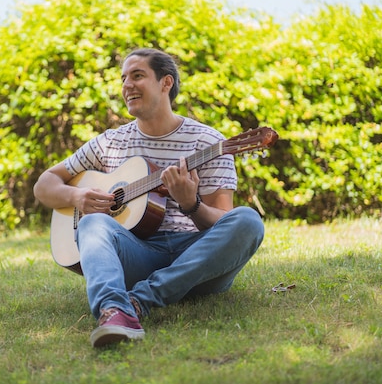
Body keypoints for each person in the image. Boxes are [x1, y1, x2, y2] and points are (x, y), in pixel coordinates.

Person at [33, 48, 264, 348]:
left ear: (166, 83)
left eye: (138, 75)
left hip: (197, 263)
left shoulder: (208, 142)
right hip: (138, 253)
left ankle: (135, 303)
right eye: (123, 78)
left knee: (248, 221)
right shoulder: (111, 142)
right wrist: (77, 195)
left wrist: (191, 205)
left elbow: (224, 221)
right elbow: (44, 185)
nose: (127, 85)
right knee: (91, 224)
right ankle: (114, 310)